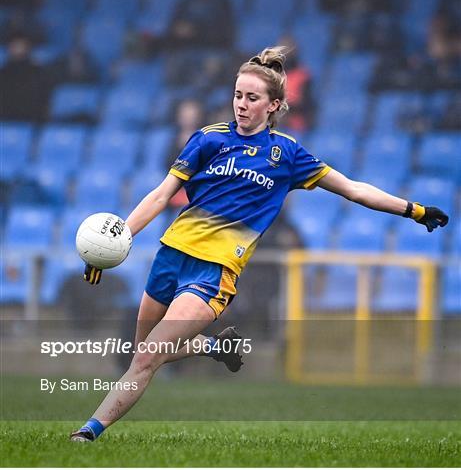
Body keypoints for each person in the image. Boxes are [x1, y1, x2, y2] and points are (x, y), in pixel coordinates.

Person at [70, 46, 448, 442]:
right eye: (238, 95)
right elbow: (161, 195)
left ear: (275, 105)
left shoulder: (286, 154)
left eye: (253, 98)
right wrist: (116, 243)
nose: (242, 105)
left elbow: (352, 189)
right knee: (142, 351)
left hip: (214, 272)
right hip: (170, 255)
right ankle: (213, 347)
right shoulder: (207, 139)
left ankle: (88, 432)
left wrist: (414, 210)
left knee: (147, 357)